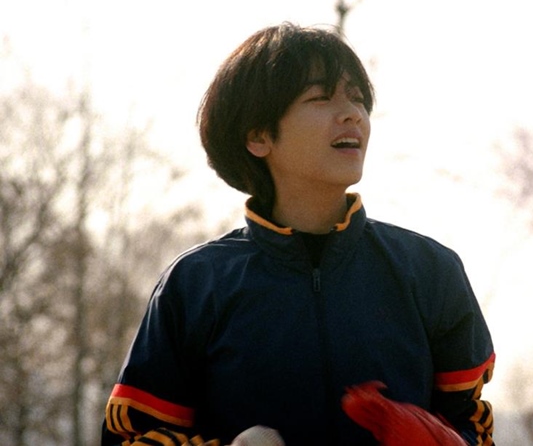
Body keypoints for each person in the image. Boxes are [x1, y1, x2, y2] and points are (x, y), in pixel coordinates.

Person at [101, 23, 495, 446]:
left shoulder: (431, 271)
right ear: (258, 136)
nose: (352, 114)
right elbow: (131, 437)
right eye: (320, 98)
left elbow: (471, 424)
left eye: (357, 98)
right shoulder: (196, 284)